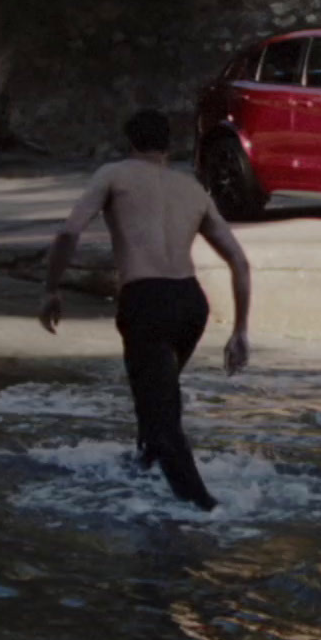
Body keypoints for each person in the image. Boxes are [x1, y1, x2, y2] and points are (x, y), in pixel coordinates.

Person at [39, 109, 251, 512]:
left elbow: (69, 232)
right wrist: (239, 331)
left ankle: (206, 510)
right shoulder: (191, 188)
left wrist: (51, 289)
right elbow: (239, 261)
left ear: (130, 143)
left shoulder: (113, 174)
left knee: (162, 412)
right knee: (157, 396)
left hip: (146, 300)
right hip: (191, 305)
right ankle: (145, 467)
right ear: (168, 147)